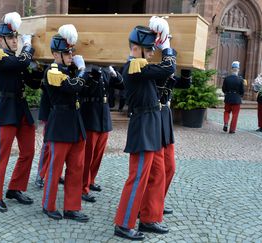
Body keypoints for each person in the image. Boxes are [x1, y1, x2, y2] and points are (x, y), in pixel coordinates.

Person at [114, 18, 176, 240]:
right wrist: (167, 45)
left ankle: (149, 218)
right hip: (142, 126)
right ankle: (123, 223)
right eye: (148, 49)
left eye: (153, 49)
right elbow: (169, 65)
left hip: (153, 125)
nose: (152, 53)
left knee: (157, 174)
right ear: (136, 48)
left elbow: (167, 75)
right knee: (138, 176)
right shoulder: (134, 65)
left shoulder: (143, 66)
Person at [0, 12, 43, 212]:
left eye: (16, 37)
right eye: (11, 38)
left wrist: (39, 69)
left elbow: (33, 84)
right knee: (2, 154)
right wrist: (28, 48)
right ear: (0, 39)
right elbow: (20, 62)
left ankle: (15, 188)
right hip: (6, 110)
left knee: (28, 151)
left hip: (21, 109)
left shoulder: (18, 59)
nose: (14, 41)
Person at [41, 24, 93, 222]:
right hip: (60, 125)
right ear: (55, 54)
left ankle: (72, 207)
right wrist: (82, 70)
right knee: (55, 169)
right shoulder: (52, 71)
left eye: (71, 52)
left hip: (75, 125)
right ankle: (48, 205)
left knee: (76, 169)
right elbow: (72, 88)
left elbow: (82, 89)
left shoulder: (69, 70)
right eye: (66, 53)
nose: (70, 55)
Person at [80, 65, 123, 203]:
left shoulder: (105, 70)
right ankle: (82, 187)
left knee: (98, 154)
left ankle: (91, 180)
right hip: (90, 114)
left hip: (104, 115)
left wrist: (114, 72)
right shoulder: (85, 70)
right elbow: (86, 90)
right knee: (88, 155)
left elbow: (122, 86)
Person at [157, 69, 191, 215]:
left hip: (166, 119)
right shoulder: (156, 73)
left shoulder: (169, 74)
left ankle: (157, 201)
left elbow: (184, 83)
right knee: (156, 170)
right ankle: (147, 205)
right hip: (155, 119)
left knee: (169, 167)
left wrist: (187, 67)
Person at [222, 61, 245, 134]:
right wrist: (240, 96)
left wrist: (227, 93)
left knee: (226, 111)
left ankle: (226, 123)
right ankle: (232, 129)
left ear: (232, 69)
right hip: (236, 99)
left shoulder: (227, 78)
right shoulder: (240, 79)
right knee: (235, 115)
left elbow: (223, 89)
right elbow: (242, 91)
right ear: (238, 69)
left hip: (228, 97)